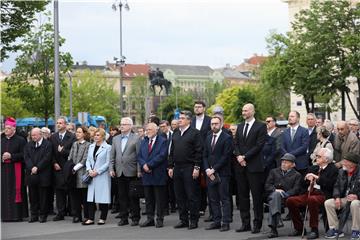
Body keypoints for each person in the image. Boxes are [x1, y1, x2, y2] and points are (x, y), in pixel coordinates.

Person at [287, 148, 338, 239]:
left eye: (318, 156)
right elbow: (302, 183)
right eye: (316, 156)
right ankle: (299, 228)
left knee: (312, 200)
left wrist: (316, 178)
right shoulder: (313, 168)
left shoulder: (333, 169)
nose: (316, 158)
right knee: (291, 201)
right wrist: (306, 178)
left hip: (323, 194)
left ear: (326, 159)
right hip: (309, 193)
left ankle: (314, 229)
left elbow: (330, 184)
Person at [233, 103, 267, 234]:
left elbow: (259, 146)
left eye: (246, 111)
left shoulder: (260, 126)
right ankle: (245, 223)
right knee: (242, 196)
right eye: (242, 111)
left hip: (254, 166)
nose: (243, 113)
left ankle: (257, 224)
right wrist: (239, 156)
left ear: (253, 111)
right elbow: (235, 143)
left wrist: (245, 157)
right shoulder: (240, 127)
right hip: (241, 167)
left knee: (257, 196)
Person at [168, 110, 202, 230]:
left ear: (189, 120)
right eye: (179, 118)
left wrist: (197, 167)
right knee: (179, 195)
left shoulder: (195, 133)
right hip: (177, 168)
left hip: (190, 167)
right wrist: (170, 166)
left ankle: (194, 220)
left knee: (191, 195)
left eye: (182, 118)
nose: (179, 120)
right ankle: (183, 220)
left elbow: (199, 152)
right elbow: (171, 152)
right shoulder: (176, 133)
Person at [203, 116, 233, 232]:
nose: (214, 126)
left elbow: (226, 157)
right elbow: (204, 155)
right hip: (209, 173)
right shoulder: (208, 137)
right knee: (213, 198)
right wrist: (206, 169)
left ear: (221, 124)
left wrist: (214, 169)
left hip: (223, 173)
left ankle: (225, 222)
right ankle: (216, 221)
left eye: (216, 124)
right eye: (212, 124)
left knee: (224, 198)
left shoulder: (227, 138)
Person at [110, 117, 141, 226]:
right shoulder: (115, 139)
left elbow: (139, 156)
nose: (121, 126)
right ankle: (124, 218)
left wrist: (139, 170)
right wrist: (111, 168)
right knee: (122, 196)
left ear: (130, 126)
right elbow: (112, 156)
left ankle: (135, 217)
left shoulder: (136, 138)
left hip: (132, 171)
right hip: (119, 171)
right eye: (121, 124)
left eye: (124, 124)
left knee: (133, 196)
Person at [138, 123, 168, 228]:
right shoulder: (144, 141)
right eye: (146, 129)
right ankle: (150, 219)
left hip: (158, 173)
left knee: (159, 199)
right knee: (148, 198)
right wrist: (144, 165)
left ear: (156, 130)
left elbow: (162, 155)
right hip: (146, 174)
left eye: (150, 129)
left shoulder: (163, 141)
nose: (147, 131)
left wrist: (149, 165)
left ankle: (160, 219)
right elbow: (140, 155)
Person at [265, 153, 302, 238]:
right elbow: (267, 185)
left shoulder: (297, 175)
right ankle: (277, 220)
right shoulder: (274, 171)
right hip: (273, 196)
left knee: (275, 197)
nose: (283, 164)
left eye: (286, 162)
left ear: (292, 165)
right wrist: (276, 190)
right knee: (275, 196)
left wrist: (284, 194)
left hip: (288, 197)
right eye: (282, 162)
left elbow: (296, 189)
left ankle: (274, 229)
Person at [324, 152, 360, 239]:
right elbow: (336, 186)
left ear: (351, 163)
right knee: (328, 203)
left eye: (345, 161)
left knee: (355, 203)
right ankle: (335, 229)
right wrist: (336, 197)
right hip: (345, 198)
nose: (343, 162)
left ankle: (356, 230)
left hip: (357, 199)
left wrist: (357, 196)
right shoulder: (341, 172)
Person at [1, 117, 28, 222]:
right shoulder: (1, 141)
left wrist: (11, 156)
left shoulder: (21, 140)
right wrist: (2, 158)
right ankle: (5, 215)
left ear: (13, 129)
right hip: (3, 170)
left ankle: (17, 215)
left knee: (16, 191)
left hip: (16, 171)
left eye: (8, 128)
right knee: (4, 192)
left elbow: (24, 155)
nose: (6, 130)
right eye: (5, 128)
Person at [82, 128, 111, 225]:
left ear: (103, 136)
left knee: (103, 197)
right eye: (95, 135)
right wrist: (89, 170)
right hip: (91, 175)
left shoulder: (108, 147)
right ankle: (90, 218)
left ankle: (102, 218)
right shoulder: (91, 146)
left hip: (102, 175)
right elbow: (88, 160)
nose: (95, 136)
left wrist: (97, 171)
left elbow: (108, 163)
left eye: (98, 135)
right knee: (91, 198)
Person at [50, 116, 76, 221]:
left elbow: (74, 152)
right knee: (59, 191)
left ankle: (73, 212)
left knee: (71, 191)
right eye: (57, 123)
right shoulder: (53, 137)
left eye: (60, 123)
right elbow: (50, 152)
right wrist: (54, 163)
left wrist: (63, 151)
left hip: (68, 167)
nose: (58, 125)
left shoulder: (72, 136)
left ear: (65, 124)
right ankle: (60, 213)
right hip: (57, 167)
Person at [24, 128, 52, 223]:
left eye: (35, 135)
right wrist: (32, 167)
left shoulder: (47, 145)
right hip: (31, 174)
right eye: (32, 135)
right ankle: (34, 215)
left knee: (43, 196)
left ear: (40, 134)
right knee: (32, 196)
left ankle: (43, 215)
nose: (33, 137)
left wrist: (37, 167)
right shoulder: (28, 145)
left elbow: (47, 158)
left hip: (43, 174)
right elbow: (26, 157)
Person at [190, 100, 211, 217]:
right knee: (194, 182)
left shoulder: (209, 121)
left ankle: (204, 206)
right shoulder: (191, 121)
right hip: (193, 155)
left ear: (204, 108)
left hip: (206, 154)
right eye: (195, 107)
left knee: (206, 182)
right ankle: (197, 207)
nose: (197, 109)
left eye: (199, 107)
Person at [68, 126, 91, 223]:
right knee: (75, 196)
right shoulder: (74, 144)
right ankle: (77, 215)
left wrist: (74, 168)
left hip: (82, 173)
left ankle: (86, 215)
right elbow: (70, 156)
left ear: (84, 134)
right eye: (76, 132)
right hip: (73, 174)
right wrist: (70, 166)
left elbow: (85, 159)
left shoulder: (88, 145)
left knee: (84, 196)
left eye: (79, 132)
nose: (77, 134)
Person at [281, 111, 310, 175]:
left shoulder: (304, 131)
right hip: (287, 165)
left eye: (292, 116)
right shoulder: (284, 132)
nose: (289, 118)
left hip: (300, 164)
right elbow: (282, 146)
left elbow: (304, 147)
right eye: (289, 116)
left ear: (298, 118)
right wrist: (287, 156)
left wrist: (289, 155)